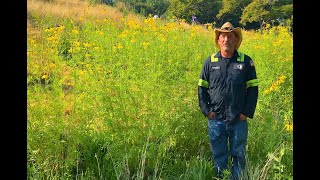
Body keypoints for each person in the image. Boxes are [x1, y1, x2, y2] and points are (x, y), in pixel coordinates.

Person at [197, 22, 259, 179]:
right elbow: (202, 88)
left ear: (236, 40)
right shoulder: (210, 62)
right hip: (216, 119)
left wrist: (246, 112)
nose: (226, 39)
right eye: (223, 36)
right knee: (219, 155)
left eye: (230, 36)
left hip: (238, 118)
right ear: (218, 40)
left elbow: (253, 89)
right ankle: (221, 178)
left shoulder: (246, 62)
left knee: (239, 155)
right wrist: (207, 111)